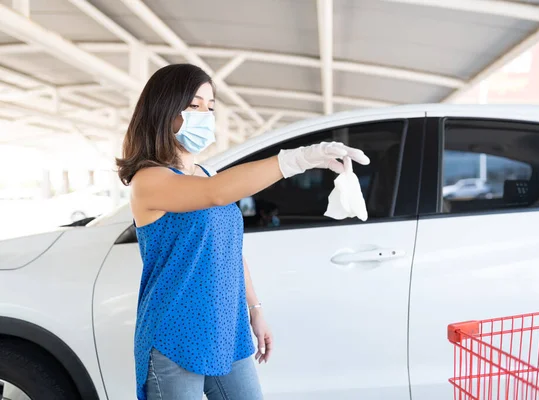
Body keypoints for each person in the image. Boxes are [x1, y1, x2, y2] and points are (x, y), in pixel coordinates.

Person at [116, 63, 370, 400]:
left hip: (227, 328)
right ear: (164, 109)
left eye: (210, 106)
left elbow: (230, 250)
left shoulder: (207, 173)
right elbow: (216, 193)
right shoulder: (149, 180)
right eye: (194, 105)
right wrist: (299, 159)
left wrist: (255, 309)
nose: (205, 114)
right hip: (175, 334)